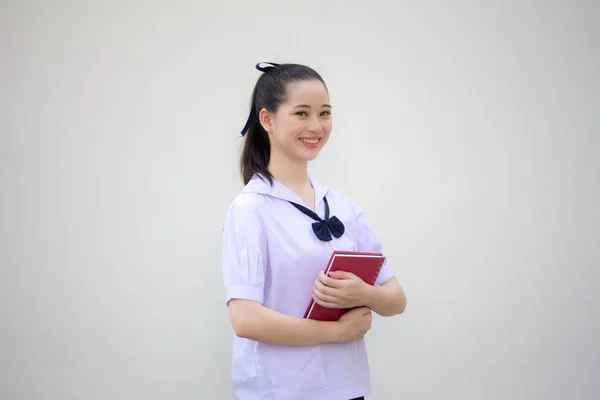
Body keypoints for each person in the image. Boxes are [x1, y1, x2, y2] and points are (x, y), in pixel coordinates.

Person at [221, 62, 407, 400]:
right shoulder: (250, 210)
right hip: (280, 390)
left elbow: (396, 299)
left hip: (345, 387)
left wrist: (365, 294)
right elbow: (246, 319)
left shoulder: (344, 206)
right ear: (267, 120)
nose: (316, 126)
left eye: (324, 113)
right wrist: (336, 332)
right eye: (301, 113)